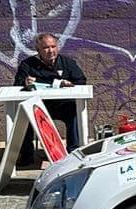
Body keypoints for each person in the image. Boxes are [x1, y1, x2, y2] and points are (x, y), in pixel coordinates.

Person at [14, 32, 88, 167]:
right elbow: (17, 86)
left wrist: (70, 84)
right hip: (39, 106)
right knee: (24, 113)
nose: (51, 50)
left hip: (63, 105)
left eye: (53, 46)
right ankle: (26, 155)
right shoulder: (27, 64)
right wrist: (25, 83)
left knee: (74, 112)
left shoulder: (68, 63)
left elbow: (81, 81)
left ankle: (73, 152)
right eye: (46, 47)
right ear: (38, 50)